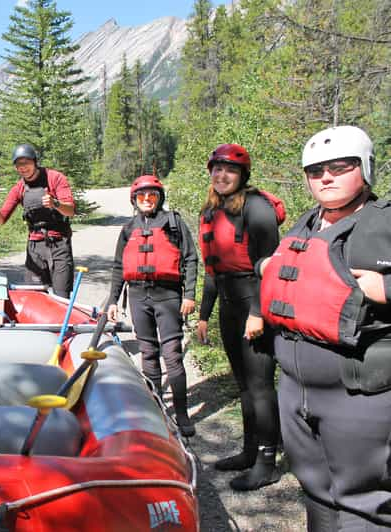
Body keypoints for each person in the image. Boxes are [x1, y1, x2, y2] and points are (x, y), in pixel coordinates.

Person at [258, 125, 391, 529]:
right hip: (297, 390)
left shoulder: (384, 221)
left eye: (340, 166)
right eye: (316, 170)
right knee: (316, 492)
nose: (326, 177)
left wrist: (385, 286)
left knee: (362, 501)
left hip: (357, 392)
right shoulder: (308, 222)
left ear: (365, 169)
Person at [196, 143, 283, 491]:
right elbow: (213, 270)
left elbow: (271, 267)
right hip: (230, 305)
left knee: (261, 385)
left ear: (242, 176)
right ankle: (249, 452)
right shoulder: (211, 210)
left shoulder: (257, 208)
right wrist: (204, 316)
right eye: (216, 169)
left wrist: (258, 313)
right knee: (244, 385)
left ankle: (267, 461)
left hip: (255, 301)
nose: (222, 175)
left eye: (229, 170)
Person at [106, 175, 198, 437]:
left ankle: (181, 414)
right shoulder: (128, 228)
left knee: (172, 355)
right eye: (141, 196)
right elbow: (118, 267)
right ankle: (157, 410)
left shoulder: (173, 223)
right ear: (134, 200)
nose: (147, 200)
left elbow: (191, 259)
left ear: (159, 198)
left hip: (167, 295)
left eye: (152, 195)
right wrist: (113, 300)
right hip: (137, 296)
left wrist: (189, 295)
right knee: (147, 353)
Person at [0, 143, 76, 297]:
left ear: (35, 161)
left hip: (59, 243)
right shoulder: (19, 188)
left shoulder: (55, 178)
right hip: (34, 247)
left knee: (62, 296)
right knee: (34, 296)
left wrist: (55, 203)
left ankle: (62, 321)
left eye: (26, 163)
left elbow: (71, 210)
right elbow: (0, 220)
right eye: (18, 164)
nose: (23, 167)